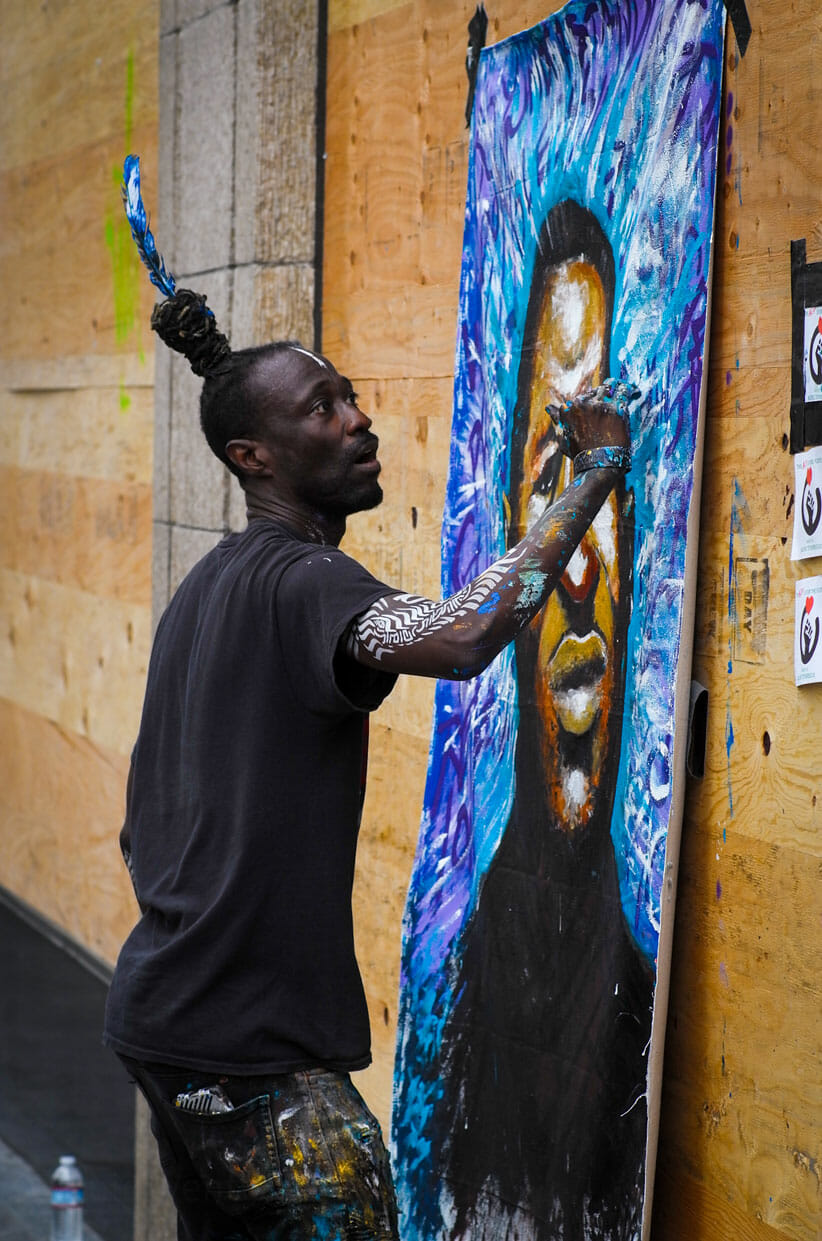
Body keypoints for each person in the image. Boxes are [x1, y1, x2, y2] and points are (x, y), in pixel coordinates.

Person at [102, 266, 638, 1239]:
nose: (357, 419)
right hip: (252, 1059)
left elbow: (137, 833)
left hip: (164, 1026)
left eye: (350, 395)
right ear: (253, 455)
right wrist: (597, 474)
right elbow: (464, 636)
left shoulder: (206, 589)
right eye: (323, 408)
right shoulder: (310, 584)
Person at [433, 203, 654, 1240]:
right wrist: (602, 466)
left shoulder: (644, 985)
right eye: (546, 480)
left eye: (601, 498)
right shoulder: (453, 1008)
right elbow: (466, 633)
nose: (579, 569)